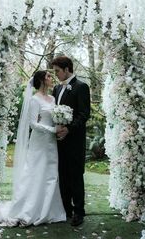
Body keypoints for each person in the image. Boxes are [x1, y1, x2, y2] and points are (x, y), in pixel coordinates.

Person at [0, 71, 66, 227]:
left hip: (51, 143)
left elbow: (53, 117)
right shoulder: (34, 100)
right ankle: (28, 209)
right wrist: (52, 130)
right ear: (42, 80)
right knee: (34, 172)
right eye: (49, 76)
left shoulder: (52, 98)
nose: (52, 78)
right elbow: (33, 124)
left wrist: (60, 125)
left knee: (50, 174)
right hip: (39, 142)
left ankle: (48, 210)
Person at [52, 56, 91, 227]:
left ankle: (79, 212)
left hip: (74, 140)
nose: (56, 75)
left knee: (75, 176)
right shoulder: (56, 88)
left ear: (67, 69)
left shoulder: (81, 87)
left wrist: (69, 129)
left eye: (57, 71)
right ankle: (66, 209)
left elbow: (84, 114)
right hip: (58, 140)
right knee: (63, 175)